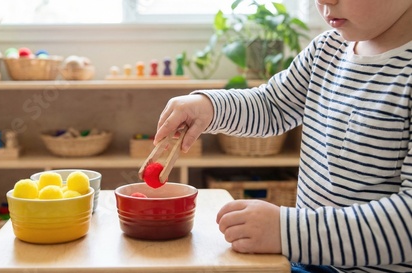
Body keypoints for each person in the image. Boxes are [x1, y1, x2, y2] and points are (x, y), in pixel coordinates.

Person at [153, 0, 412, 272]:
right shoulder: (326, 49)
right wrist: (211, 107)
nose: (324, 1)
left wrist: (287, 232)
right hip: (309, 260)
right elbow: (274, 105)